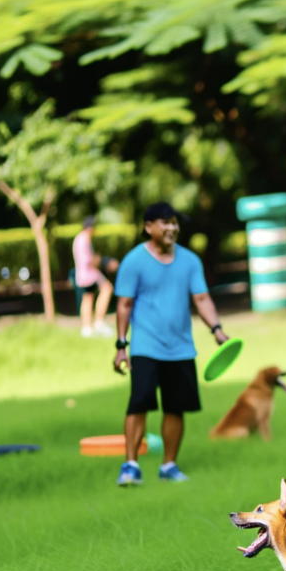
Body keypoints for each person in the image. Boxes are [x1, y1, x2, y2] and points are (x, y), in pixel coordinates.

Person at [113, 202, 229, 486]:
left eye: (174, 222)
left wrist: (216, 329)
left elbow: (201, 298)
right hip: (145, 347)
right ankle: (130, 466)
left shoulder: (190, 261)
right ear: (148, 226)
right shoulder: (134, 261)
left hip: (181, 348)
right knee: (138, 403)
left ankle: (169, 465)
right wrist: (120, 346)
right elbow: (124, 305)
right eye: (165, 222)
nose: (172, 227)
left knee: (175, 407)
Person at [73, 216, 118, 338]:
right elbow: (89, 261)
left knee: (88, 297)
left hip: (83, 274)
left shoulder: (79, 238)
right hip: (89, 274)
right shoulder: (84, 239)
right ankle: (99, 322)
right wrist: (105, 262)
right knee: (107, 288)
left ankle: (86, 327)